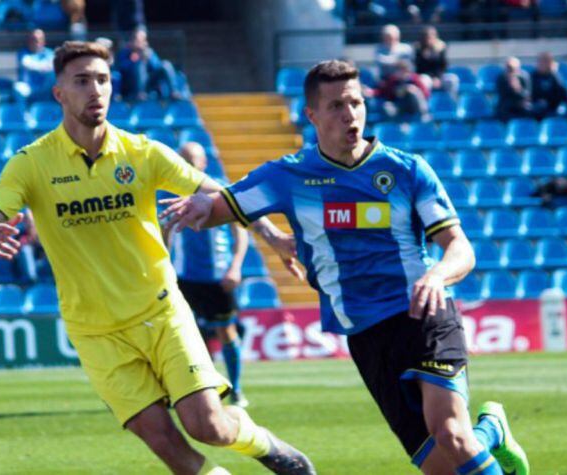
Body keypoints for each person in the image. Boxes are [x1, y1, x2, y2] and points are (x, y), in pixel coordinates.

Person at [0, 41, 314, 475]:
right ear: (59, 93)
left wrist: (272, 234)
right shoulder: (31, 164)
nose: (96, 90)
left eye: (103, 80)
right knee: (167, 445)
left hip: (160, 310)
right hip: (95, 331)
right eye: (83, 81)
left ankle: (263, 444)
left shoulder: (142, 153)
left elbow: (216, 193)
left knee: (208, 427)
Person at [161, 60, 530, 475]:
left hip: (424, 313)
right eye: (336, 105)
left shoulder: (406, 171)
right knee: (439, 466)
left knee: (451, 434)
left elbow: (460, 247)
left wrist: (437, 274)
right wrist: (198, 205)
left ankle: (479, 435)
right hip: (365, 333)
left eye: (355, 102)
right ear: (312, 115)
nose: (349, 114)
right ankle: (492, 430)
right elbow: (220, 206)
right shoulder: (290, 176)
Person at [171, 142, 250, 408]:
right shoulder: (170, 192)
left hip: (217, 277)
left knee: (226, 331)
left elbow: (241, 231)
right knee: (180, 334)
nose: (189, 165)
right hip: (183, 277)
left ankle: (236, 389)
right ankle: (187, 391)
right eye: (184, 160)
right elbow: (165, 233)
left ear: (204, 163)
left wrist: (235, 266)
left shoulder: (220, 193)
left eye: (193, 160)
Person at [115, 28, 179, 101]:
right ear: (132, 41)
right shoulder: (125, 52)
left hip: (149, 83)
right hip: (131, 84)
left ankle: (174, 92)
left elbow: (157, 67)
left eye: (142, 40)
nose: (140, 43)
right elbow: (121, 68)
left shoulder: (149, 52)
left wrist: (149, 59)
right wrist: (134, 61)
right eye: (137, 40)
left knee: (166, 64)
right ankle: (140, 94)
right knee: (140, 64)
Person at [414, 26, 458, 98]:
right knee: (423, 80)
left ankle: (450, 100)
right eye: (427, 37)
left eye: (432, 36)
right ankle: (426, 103)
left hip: (439, 76)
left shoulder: (441, 48)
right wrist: (424, 56)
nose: (429, 39)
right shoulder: (419, 49)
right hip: (426, 76)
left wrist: (438, 78)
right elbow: (419, 68)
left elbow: (443, 66)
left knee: (452, 78)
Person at [531, 52, 567, 119]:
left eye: (546, 62)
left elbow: (562, 91)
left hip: (551, 104)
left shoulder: (554, 76)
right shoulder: (533, 76)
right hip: (537, 104)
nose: (542, 64)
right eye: (541, 62)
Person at [16, 29, 56, 102]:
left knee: (53, 77)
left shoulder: (50, 53)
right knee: (18, 88)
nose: (34, 42)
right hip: (28, 87)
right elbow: (27, 64)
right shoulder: (23, 53)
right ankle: (24, 112)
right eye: (32, 40)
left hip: (45, 88)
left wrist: (41, 67)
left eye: (37, 40)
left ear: (43, 42)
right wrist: (44, 67)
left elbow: (53, 67)